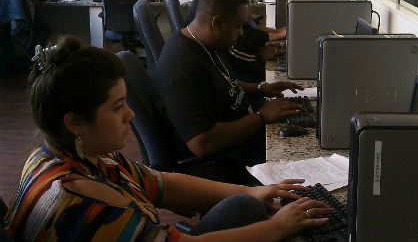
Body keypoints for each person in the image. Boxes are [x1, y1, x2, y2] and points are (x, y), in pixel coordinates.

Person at [2, 35, 332, 241]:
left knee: (247, 205)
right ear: (75, 122)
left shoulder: (78, 153)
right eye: (118, 108)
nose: (129, 115)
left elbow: (161, 184)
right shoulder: (83, 202)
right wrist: (277, 228)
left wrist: (253, 190)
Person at [154, 0, 305, 184]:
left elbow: (224, 83)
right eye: (238, 26)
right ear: (216, 22)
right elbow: (202, 143)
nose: (242, 33)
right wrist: (261, 117)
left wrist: (261, 88)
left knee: (304, 134)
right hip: (217, 165)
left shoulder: (207, 42)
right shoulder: (183, 67)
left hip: (240, 140)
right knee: (303, 172)